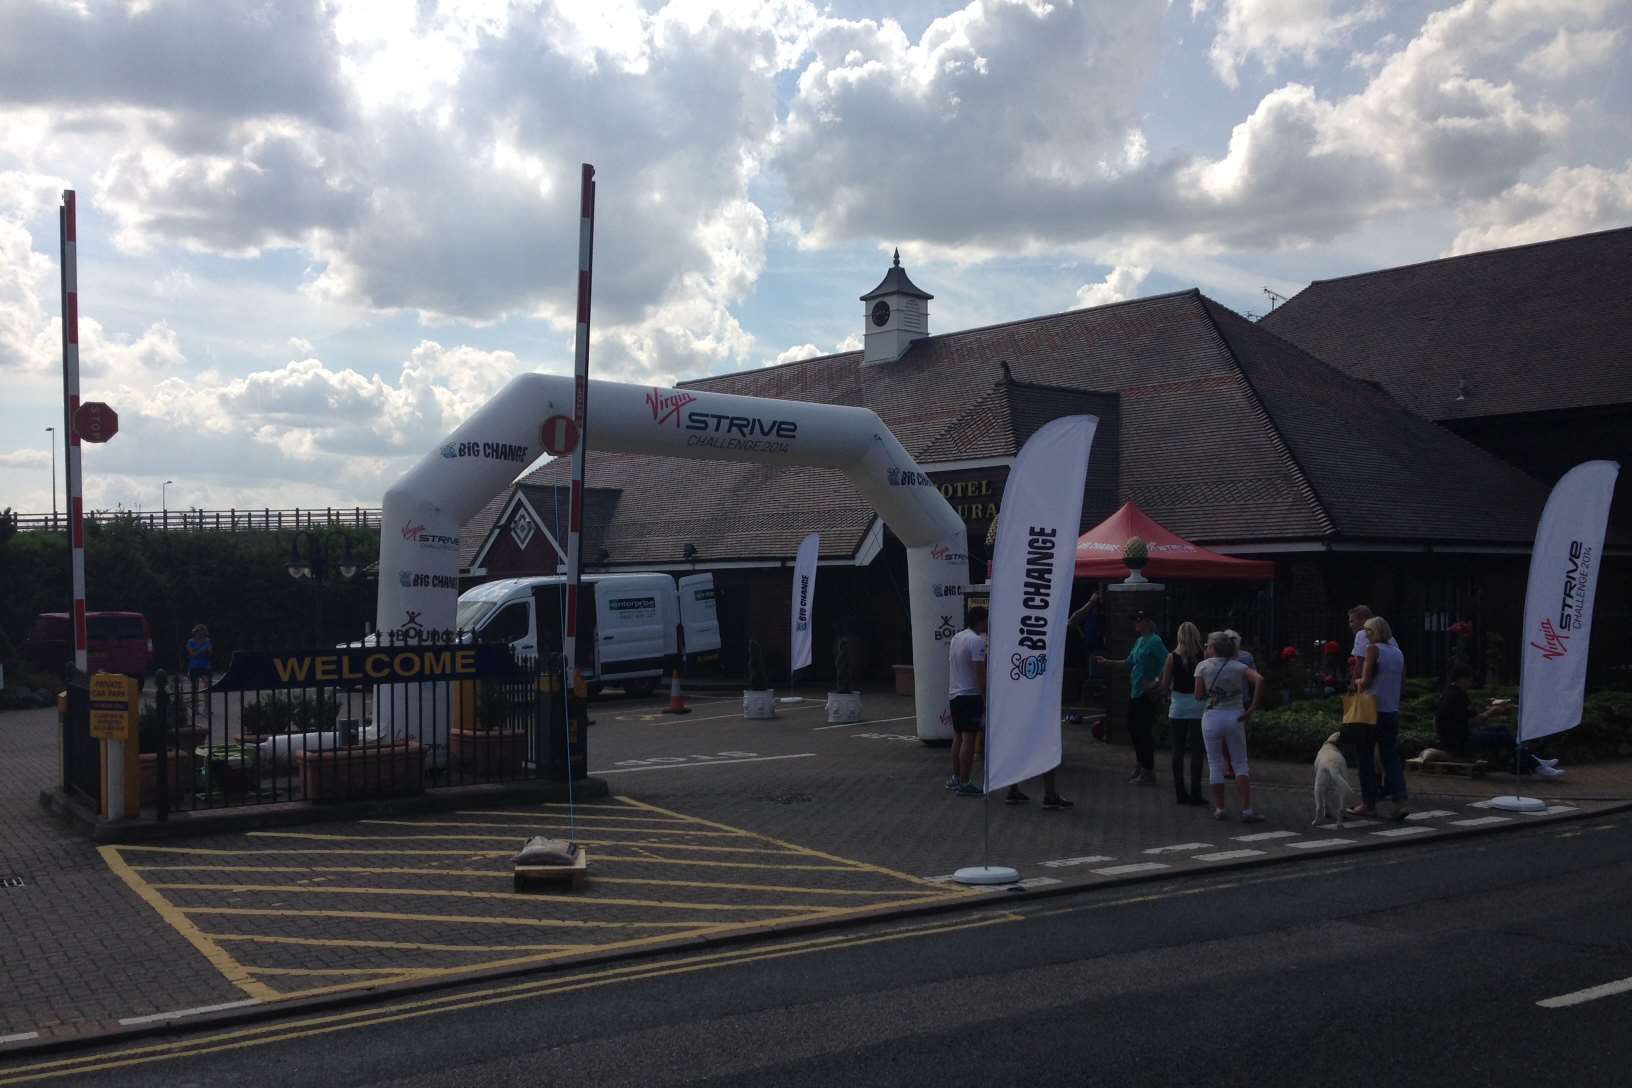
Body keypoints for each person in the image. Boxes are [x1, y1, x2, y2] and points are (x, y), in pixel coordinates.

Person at [1435, 666, 1563, 778]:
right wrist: (1492, 711)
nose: (1471, 683)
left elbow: (1469, 717)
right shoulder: (1458, 696)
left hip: (1454, 738)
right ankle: (1538, 767)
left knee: (1501, 729)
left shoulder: (1449, 693)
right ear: (1461, 678)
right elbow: (1475, 721)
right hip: (1459, 742)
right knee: (1504, 737)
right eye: (1469, 680)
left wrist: (1493, 711)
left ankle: (1535, 761)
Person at [1193, 630, 1265, 822]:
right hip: (1235, 716)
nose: (1206, 647)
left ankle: (1220, 808)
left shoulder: (1202, 667)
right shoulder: (1238, 666)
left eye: (1207, 645)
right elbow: (1259, 679)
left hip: (1212, 717)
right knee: (1240, 763)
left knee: (1215, 763)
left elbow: (1198, 696)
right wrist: (1251, 708)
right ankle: (1247, 809)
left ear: (1214, 647)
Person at [1095, 610, 1167, 785]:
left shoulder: (1155, 641)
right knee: (1133, 729)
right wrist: (1107, 662)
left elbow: (1168, 662)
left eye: (1139, 620)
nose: (1136, 623)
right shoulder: (1139, 641)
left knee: (1143, 732)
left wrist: (1157, 683)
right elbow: (1128, 663)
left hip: (1146, 694)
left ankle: (1148, 772)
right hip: (1135, 692)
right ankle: (1141, 765)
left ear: (1148, 622)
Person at [1350, 615, 1410, 819]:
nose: (1365, 635)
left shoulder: (1372, 650)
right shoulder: (1398, 653)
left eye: (1367, 631)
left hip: (1370, 710)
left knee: (1365, 757)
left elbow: (1365, 681)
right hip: (1391, 711)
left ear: (1373, 632)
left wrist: (1356, 682)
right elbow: (1403, 685)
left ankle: (1369, 803)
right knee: (1390, 757)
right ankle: (1400, 800)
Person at [1161, 621, 1207, 806]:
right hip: (1198, 706)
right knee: (1197, 750)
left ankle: (1180, 792)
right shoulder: (1203, 656)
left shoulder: (1172, 657)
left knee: (1177, 750)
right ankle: (1196, 793)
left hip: (1178, 707)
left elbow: (1164, 686)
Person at [945, 607, 989, 796]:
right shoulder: (977, 641)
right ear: (979, 621)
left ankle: (956, 778)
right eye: (986, 620)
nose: (988, 624)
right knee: (969, 739)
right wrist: (986, 699)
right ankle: (965, 782)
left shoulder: (957, 638)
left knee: (958, 738)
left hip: (954, 694)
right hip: (970, 696)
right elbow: (980, 674)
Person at [185, 623, 213, 695]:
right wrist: (203, 650)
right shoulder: (190, 642)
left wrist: (197, 651)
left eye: (204, 633)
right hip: (194, 667)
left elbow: (210, 652)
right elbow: (192, 654)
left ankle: (207, 705)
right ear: (196, 633)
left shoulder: (208, 641)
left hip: (205, 666)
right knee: (195, 688)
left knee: (207, 686)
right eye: (200, 633)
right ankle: (195, 705)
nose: (202, 635)